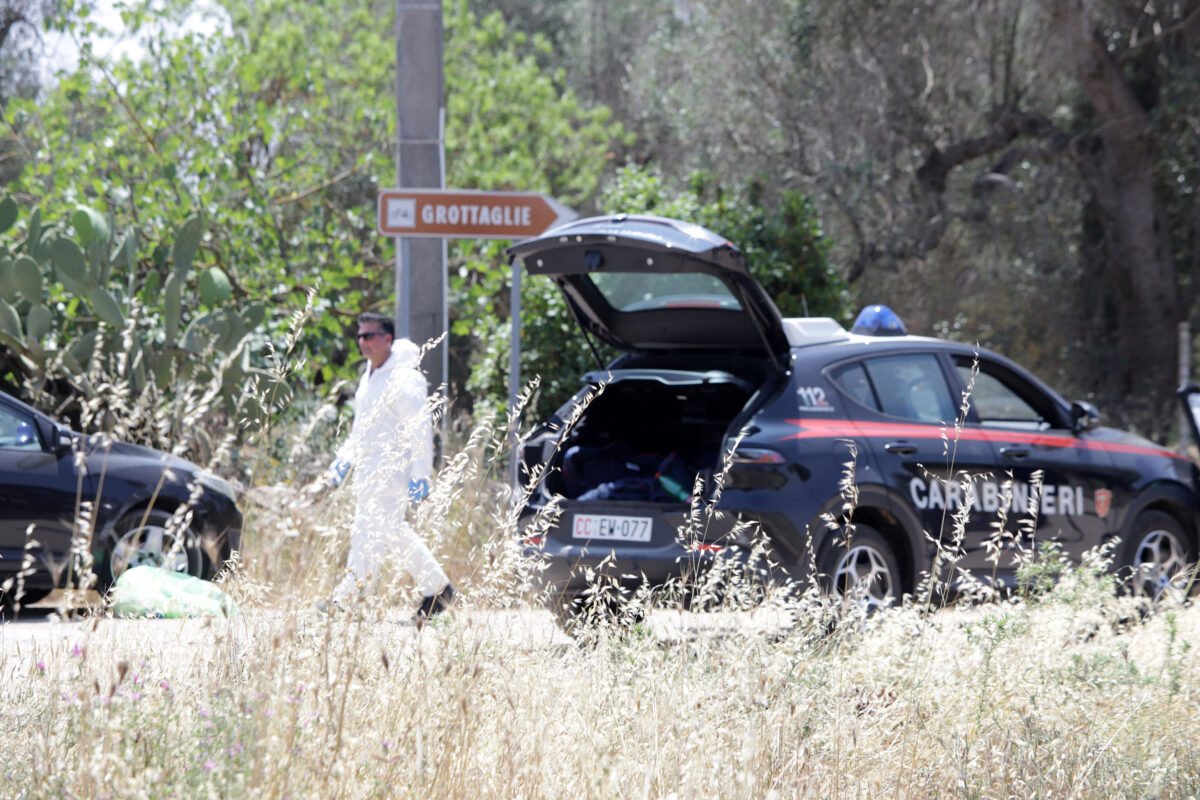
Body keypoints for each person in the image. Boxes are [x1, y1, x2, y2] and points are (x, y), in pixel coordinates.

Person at [328, 311, 455, 622]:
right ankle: (438, 589)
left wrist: (421, 473)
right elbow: (361, 428)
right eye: (359, 336)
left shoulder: (404, 377)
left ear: (387, 338)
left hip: (392, 471)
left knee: (370, 531)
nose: (362, 342)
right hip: (368, 471)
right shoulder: (369, 375)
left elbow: (419, 427)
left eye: (369, 336)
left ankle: (347, 599)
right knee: (385, 532)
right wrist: (344, 458)